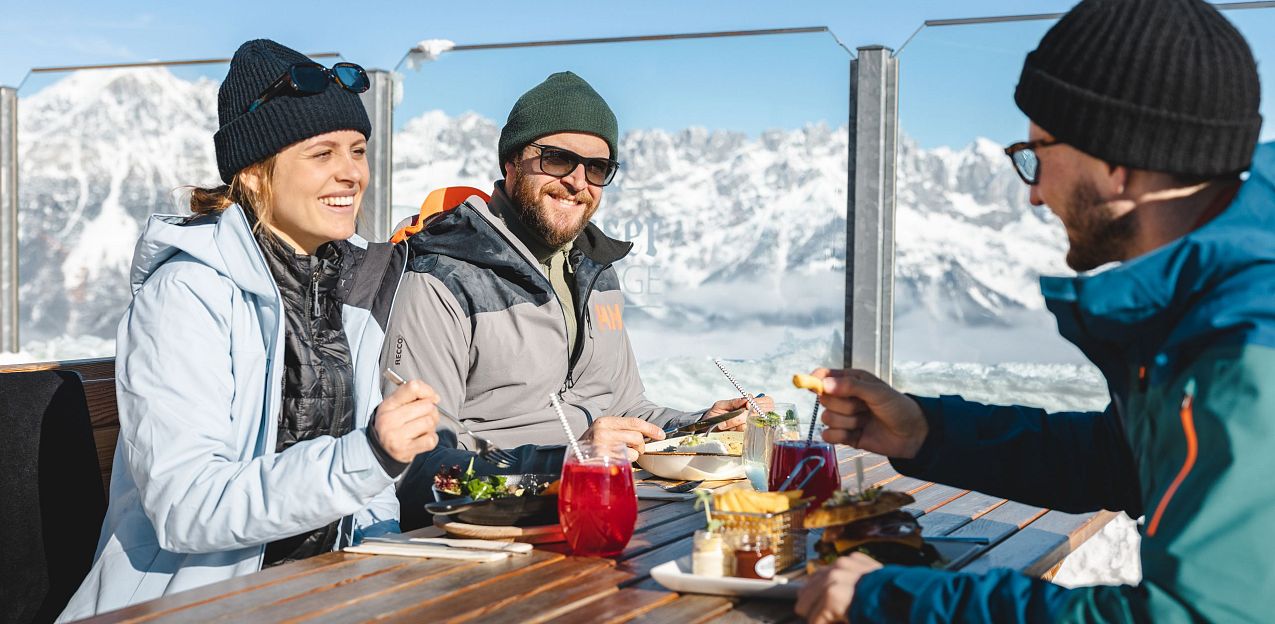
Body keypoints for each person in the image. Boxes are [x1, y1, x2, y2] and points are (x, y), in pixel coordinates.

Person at [795, 0, 1273, 622]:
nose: (1033, 192)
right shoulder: (1218, 295)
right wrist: (924, 430)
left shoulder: (1245, 340)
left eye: (1036, 154)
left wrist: (894, 601)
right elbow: (1121, 460)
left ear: (1117, 160)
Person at [58, 40, 441, 620]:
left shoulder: (349, 286)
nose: (351, 173)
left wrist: (382, 567)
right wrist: (366, 455)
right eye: (322, 154)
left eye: (358, 150)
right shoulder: (186, 294)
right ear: (256, 174)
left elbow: (367, 491)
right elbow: (186, 506)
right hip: (191, 602)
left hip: (321, 595)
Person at [384, 71, 770, 529]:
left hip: (595, 510)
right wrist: (565, 461)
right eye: (557, 160)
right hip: (488, 537)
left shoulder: (596, 270)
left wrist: (700, 427)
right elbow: (416, 470)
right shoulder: (441, 277)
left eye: (597, 168)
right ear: (511, 163)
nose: (578, 182)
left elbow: (624, 409)